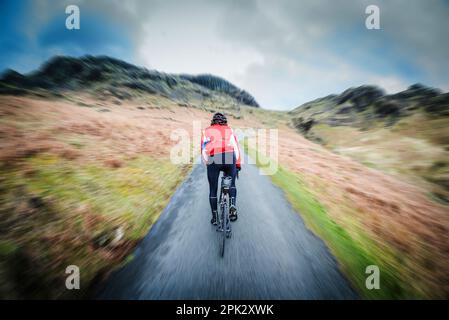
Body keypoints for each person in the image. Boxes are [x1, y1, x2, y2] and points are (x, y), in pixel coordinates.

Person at [201, 112, 241, 225]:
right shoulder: (230, 130)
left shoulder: (206, 131)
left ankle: (215, 217)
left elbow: (204, 149)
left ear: (213, 121)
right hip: (229, 155)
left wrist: (208, 163)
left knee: (213, 189)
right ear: (225, 122)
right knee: (232, 184)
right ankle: (232, 205)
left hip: (214, 157)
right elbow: (236, 149)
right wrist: (237, 165)